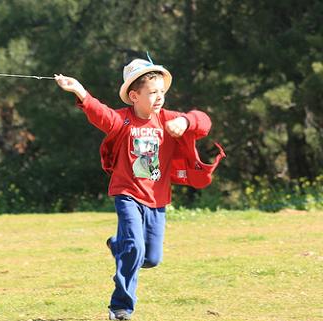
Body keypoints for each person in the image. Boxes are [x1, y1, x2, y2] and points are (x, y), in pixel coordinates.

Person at [55, 56, 224, 320]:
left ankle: (119, 245)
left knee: (151, 258)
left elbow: (204, 121)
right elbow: (101, 114)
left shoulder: (169, 120)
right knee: (134, 247)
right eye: (152, 92)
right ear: (134, 96)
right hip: (127, 195)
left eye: (162, 92)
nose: (159, 97)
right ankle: (121, 307)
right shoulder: (123, 121)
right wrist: (80, 91)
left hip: (157, 200)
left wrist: (186, 122)